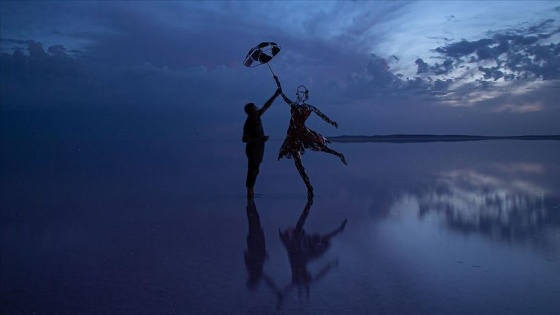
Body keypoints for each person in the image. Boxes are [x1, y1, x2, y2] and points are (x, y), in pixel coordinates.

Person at [274, 77, 347, 198]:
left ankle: (339, 154)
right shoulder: (293, 105)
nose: (298, 94)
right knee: (298, 165)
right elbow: (282, 95)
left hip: (303, 133)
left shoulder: (309, 108)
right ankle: (309, 188)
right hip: (292, 136)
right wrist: (277, 83)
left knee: (321, 147)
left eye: (301, 93)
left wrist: (332, 122)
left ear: (305, 95)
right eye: (297, 92)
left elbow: (321, 115)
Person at [242, 85, 282, 197]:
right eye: (255, 108)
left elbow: (266, 105)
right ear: (250, 111)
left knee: (255, 170)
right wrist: (259, 139)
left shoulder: (257, 116)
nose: (257, 108)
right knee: (252, 170)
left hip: (259, 149)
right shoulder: (249, 123)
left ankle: (251, 192)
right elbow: (244, 139)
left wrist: (275, 94)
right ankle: (249, 193)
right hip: (253, 149)